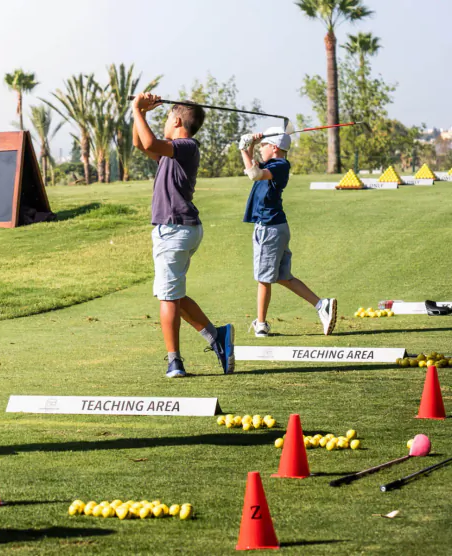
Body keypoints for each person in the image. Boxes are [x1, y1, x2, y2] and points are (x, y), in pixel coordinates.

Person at [133, 93, 235, 378]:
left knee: (168, 298)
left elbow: (151, 142)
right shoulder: (172, 151)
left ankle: (174, 362)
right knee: (173, 295)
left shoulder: (187, 146)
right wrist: (138, 112)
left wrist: (136, 109)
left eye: (166, 118)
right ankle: (217, 337)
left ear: (177, 120)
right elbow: (141, 143)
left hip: (176, 229)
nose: (164, 123)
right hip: (175, 229)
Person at [238, 129, 337, 337]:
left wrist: (243, 147)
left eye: (264, 146)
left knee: (264, 278)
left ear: (274, 148)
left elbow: (254, 175)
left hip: (269, 227)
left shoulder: (280, 165)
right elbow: (252, 170)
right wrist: (250, 146)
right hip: (276, 226)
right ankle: (321, 305)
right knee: (283, 276)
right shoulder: (273, 164)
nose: (261, 149)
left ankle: (262, 324)